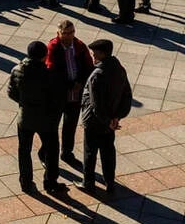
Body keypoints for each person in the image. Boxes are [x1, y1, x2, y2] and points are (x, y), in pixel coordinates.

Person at [8, 40, 65, 195]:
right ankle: (50, 182)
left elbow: (11, 93)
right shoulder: (49, 74)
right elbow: (57, 98)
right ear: (44, 55)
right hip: (46, 120)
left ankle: (26, 182)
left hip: (25, 118)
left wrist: (24, 103)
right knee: (52, 150)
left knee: (24, 150)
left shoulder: (17, 70)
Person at [79, 39, 133, 195]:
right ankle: (110, 183)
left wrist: (107, 121)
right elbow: (127, 95)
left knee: (90, 152)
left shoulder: (97, 74)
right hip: (110, 122)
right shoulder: (119, 69)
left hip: (95, 122)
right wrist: (117, 117)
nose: (93, 57)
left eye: (94, 54)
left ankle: (88, 183)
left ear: (102, 54)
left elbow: (96, 104)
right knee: (108, 153)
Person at [45, 20, 94, 166]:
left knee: (70, 124)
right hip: (59, 93)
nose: (68, 36)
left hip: (75, 94)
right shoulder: (53, 47)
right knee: (52, 126)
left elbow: (88, 66)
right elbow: (52, 70)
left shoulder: (79, 46)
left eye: (71, 32)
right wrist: (69, 84)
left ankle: (67, 152)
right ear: (58, 33)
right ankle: (45, 152)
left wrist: (79, 82)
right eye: (65, 33)